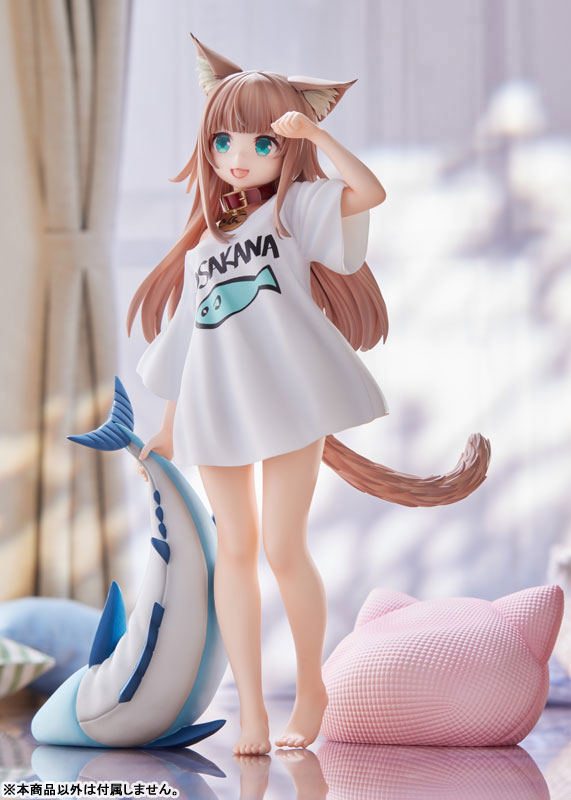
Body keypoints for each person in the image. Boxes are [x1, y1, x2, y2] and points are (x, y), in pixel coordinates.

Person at [127, 35, 490, 755]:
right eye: (223, 141)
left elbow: (369, 192)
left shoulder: (298, 210)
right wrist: (167, 427)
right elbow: (190, 341)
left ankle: (310, 689)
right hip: (214, 408)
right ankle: (252, 711)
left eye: (260, 142)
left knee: (282, 546)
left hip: (287, 401)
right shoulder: (204, 248)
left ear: (285, 148)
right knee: (234, 551)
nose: (238, 156)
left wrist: (315, 134)